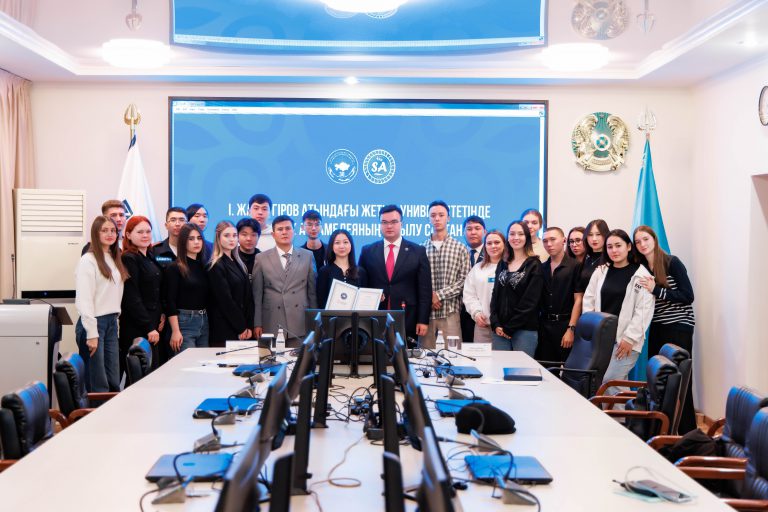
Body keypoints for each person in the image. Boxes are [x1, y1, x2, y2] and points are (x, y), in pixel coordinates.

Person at [634, 225, 697, 433]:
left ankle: (687, 432)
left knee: (681, 380)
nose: (642, 244)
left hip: (679, 326)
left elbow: (688, 296)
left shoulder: (672, 262)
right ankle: (662, 429)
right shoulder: (642, 268)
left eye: (645, 239)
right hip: (657, 326)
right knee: (658, 380)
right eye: (638, 242)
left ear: (654, 239)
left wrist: (657, 290)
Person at [582, 229, 655, 396]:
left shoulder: (641, 275)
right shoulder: (601, 271)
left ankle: (618, 414)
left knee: (611, 380)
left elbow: (643, 311)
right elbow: (589, 300)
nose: (614, 250)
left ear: (628, 247)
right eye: (609, 247)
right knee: (612, 384)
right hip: (601, 338)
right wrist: (590, 328)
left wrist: (630, 338)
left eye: (618, 245)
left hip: (626, 340)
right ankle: (619, 413)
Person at [358, 204, 432, 342]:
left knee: (405, 354)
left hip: (407, 317)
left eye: (393, 222)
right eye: (384, 222)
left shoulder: (418, 251)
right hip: (374, 317)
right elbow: (361, 285)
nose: (389, 226)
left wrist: (423, 320)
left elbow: (425, 290)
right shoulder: (367, 251)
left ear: (401, 224)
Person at [75, 216, 127, 392]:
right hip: (94, 324)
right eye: (104, 230)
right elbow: (84, 299)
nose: (110, 234)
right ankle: (97, 411)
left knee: (113, 380)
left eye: (113, 230)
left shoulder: (113, 257)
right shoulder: (88, 260)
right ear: (95, 234)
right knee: (97, 383)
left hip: (111, 322)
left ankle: (114, 410)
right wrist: (91, 332)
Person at [252, 215, 317, 346]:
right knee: (270, 358)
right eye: (280, 229)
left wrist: (314, 321)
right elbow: (257, 295)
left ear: (294, 231)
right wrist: (257, 323)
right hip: (271, 321)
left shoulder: (307, 256)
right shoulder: (261, 258)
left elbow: (312, 293)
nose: (284, 232)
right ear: (273, 234)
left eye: (288, 228)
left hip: (300, 321)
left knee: (299, 358)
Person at [419, 200, 469, 349]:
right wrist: (430, 297)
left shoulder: (460, 248)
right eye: (433, 215)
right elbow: (417, 281)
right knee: (425, 358)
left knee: (453, 357)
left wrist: (439, 295)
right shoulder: (420, 248)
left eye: (441, 215)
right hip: (426, 315)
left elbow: (464, 281)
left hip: (450, 313)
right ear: (428, 218)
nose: (437, 218)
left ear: (448, 218)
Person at [490, 221, 543, 355]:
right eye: (512, 234)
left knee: (521, 368)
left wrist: (510, 327)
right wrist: (495, 323)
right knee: (499, 367)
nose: (516, 237)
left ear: (527, 237)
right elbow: (495, 295)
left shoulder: (534, 265)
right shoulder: (502, 263)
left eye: (520, 234)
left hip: (524, 330)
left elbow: (530, 303)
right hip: (500, 330)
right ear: (507, 237)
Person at [120, 216, 163, 374]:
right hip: (137, 326)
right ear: (128, 235)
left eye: (148, 231)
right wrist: (149, 327)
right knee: (139, 376)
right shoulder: (129, 258)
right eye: (140, 232)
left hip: (153, 323)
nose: (145, 235)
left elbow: (155, 290)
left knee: (152, 373)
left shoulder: (149, 255)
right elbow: (132, 297)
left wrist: (162, 313)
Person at [537, 227, 581, 362]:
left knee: (569, 368)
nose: (549, 244)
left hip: (565, 325)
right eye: (545, 241)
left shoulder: (575, 266)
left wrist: (571, 329)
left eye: (552, 239)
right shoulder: (541, 267)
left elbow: (578, 299)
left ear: (563, 240)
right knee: (546, 369)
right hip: (544, 326)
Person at [208, 221, 254, 348]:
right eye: (226, 235)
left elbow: (247, 297)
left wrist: (249, 326)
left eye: (234, 235)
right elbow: (226, 301)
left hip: (241, 328)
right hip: (225, 329)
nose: (232, 239)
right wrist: (241, 327)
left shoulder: (238, 262)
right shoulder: (215, 265)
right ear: (218, 238)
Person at [165, 223, 210, 352]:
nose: (196, 242)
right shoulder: (175, 267)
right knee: (187, 362)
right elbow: (170, 301)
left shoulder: (204, 266)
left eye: (199, 238)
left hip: (204, 320)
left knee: (203, 362)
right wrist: (175, 330)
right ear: (183, 241)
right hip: (184, 322)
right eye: (191, 239)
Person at [463, 230, 507, 343]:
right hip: (482, 326)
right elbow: (469, 295)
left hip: (505, 327)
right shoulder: (477, 268)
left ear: (504, 244)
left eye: (497, 242)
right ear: (485, 246)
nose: (493, 246)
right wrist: (476, 313)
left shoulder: (511, 267)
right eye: (489, 243)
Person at [316, 229, 368, 307]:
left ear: (351, 245)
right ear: (332, 246)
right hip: (331, 315)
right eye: (337, 243)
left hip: (355, 315)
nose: (341, 246)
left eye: (345, 242)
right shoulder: (324, 271)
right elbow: (321, 301)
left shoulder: (361, 272)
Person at [460, 215, 486, 343]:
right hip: (460, 313)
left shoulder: (492, 253)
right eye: (469, 229)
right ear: (463, 232)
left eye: (477, 228)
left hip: (484, 314)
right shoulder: (458, 252)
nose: (473, 232)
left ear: (484, 231)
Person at [576, 219, 610, 294]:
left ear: (606, 235)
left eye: (598, 234)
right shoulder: (586, 258)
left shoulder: (611, 258)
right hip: (585, 300)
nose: (594, 239)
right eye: (590, 235)